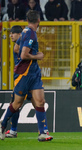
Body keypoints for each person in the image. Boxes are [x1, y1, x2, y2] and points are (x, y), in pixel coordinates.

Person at [0, 10, 53, 141]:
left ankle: (43, 133)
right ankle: (2, 125)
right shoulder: (31, 34)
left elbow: (16, 49)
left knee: (40, 101)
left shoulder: (24, 32)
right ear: (39, 20)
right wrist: (37, 56)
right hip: (24, 74)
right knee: (17, 104)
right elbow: (23, 55)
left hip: (33, 73)